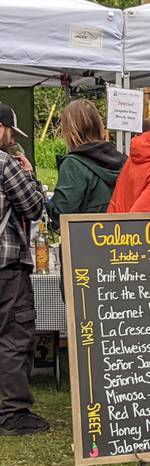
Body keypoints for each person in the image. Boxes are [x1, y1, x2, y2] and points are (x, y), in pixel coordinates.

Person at [0, 103, 48, 435]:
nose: (12, 141)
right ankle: (13, 412)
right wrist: (29, 174)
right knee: (14, 335)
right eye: (11, 134)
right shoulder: (5, 163)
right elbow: (32, 207)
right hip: (7, 264)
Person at [47, 100, 127, 225]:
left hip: (86, 238)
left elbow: (62, 213)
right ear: (98, 125)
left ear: (70, 131)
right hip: (119, 237)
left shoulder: (74, 165)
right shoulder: (124, 161)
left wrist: (42, 198)